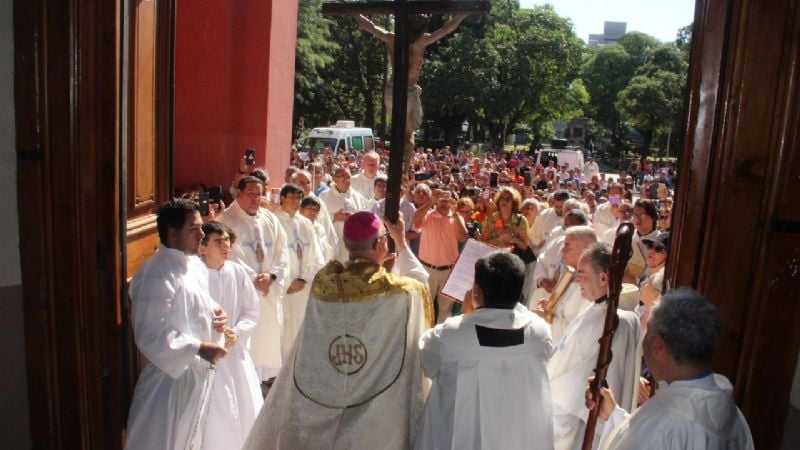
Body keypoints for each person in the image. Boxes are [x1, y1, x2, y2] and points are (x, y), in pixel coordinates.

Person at [244, 212, 433, 450]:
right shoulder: (400, 290)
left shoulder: (325, 282)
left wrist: (380, 268)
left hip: (328, 386)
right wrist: (402, 244)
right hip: (375, 401)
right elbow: (420, 282)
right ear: (380, 244)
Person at [414, 251, 554, 450]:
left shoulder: (450, 335)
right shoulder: (539, 333)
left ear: (476, 291)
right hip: (519, 436)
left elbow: (427, 362)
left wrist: (465, 317)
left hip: (463, 437)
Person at [585, 288, 754, 450]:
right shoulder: (732, 415)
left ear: (658, 345)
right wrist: (614, 415)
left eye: (647, 330)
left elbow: (661, 434)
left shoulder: (660, 427)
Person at [125, 199, 229, 449]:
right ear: (172, 234)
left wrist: (219, 312)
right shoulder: (156, 273)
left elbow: (198, 302)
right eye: (194, 229)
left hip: (197, 375)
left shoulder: (193, 264)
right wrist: (198, 348)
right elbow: (150, 334)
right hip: (169, 381)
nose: (202, 234)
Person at [547, 243, 641, 450]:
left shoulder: (614, 322)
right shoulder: (596, 310)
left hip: (577, 424)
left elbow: (577, 386)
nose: (576, 279)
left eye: (582, 273)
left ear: (603, 277)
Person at [353, 13, 469, 158]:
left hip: (392, 90)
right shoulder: (422, 40)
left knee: (398, 132)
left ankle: (401, 166)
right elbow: (446, 29)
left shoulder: (391, 38)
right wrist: (462, 15)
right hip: (406, 90)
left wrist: (354, 13)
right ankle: (406, 170)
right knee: (408, 134)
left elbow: (370, 26)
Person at [198, 221, 263, 449]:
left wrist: (238, 330)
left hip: (234, 353)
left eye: (227, 240)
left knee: (243, 405)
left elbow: (251, 310)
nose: (226, 245)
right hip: (205, 354)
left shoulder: (237, 271)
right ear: (202, 247)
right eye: (218, 241)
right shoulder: (195, 275)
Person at [218, 175, 289, 384]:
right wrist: (253, 278)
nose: (256, 199)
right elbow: (229, 254)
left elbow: (282, 250)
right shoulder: (227, 220)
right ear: (238, 193)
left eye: (259, 194)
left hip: (268, 290)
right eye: (251, 193)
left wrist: (272, 275)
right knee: (246, 343)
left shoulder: (269, 218)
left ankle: (263, 382)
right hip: (243, 292)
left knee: (266, 341)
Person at [274, 183, 325, 361]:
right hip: (281, 287)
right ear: (282, 198)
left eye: (299, 198)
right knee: (282, 328)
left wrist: (304, 279)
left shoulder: (305, 224)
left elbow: (316, 256)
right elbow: (273, 256)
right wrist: (286, 282)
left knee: (301, 327)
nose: (296, 201)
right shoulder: (274, 220)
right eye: (292, 197)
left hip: (302, 287)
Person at [413, 187, 468, 323]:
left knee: (445, 311)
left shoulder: (456, 217)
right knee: (425, 307)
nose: (444, 203)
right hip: (427, 270)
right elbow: (416, 220)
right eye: (441, 199)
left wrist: (455, 214)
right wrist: (430, 202)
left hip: (448, 272)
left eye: (447, 200)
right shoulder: (428, 214)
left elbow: (462, 237)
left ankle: (439, 339)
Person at [319, 167, 370, 262]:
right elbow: (318, 219)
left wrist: (355, 218)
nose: (346, 179)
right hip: (333, 240)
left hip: (354, 242)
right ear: (334, 179)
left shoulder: (359, 198)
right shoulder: (324, 196)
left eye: (348, 177)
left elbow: (367, 219)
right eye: (342, 176)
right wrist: (334, 217)